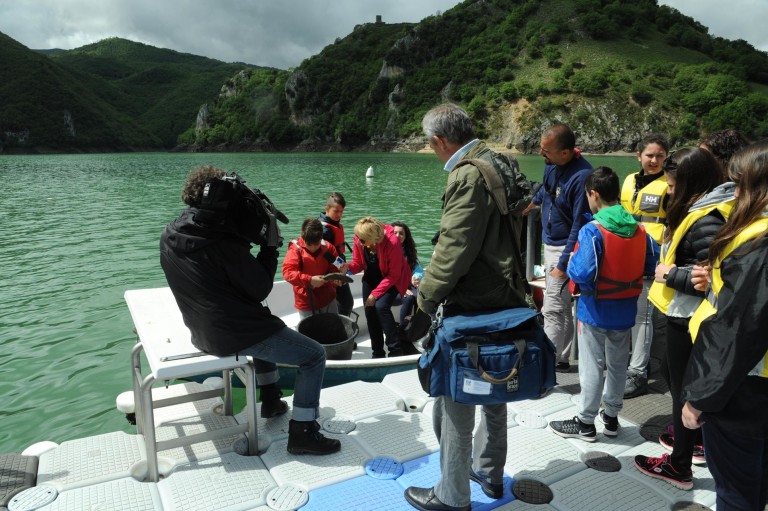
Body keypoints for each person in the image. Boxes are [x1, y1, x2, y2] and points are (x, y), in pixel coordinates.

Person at [159, 165, 340, 455]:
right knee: (314, 355)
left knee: (267, 321)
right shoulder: (221, 245)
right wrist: (269, 249)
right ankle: (303, 432)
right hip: (233, 333)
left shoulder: (171, 233)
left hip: (201, 330)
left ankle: (271, 399)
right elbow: (259, 289)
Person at [404, 103, 529, 511]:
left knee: (456, 400)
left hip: (472, 303)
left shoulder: (466, 174)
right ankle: (489, 473)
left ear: (440, 140)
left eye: (430, 143)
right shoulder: (500, 161)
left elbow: (453, 250)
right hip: (507, 296)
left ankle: (452, 496)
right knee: (495, 384)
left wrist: (424, 302)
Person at [634, 148, 732, 489]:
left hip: (688, 318)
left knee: (681, 391)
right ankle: (694, 441)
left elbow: (711, 279)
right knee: (673, 377)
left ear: (692, 183)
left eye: (674, 185)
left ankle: (679, 465)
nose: (669, 191)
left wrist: (667, 274)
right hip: (683, 315)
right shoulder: (707, 211)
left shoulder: (707, 220)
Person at [681, 141, 768, 511]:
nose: (733, 194)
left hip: (745, 388)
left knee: (735, 491)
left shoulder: (758, 244)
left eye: (739, 185)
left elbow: (738, 328)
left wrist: (701, 398)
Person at [549, 167, 657, 442]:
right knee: (619, 365)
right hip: (625, 308)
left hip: (594, 310)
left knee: (592, 366)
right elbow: (652, 262)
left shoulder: (592, 230)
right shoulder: (640, 229)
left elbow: (582, 272)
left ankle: (585, 422)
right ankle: (611, 417)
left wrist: (569, 265)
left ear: (593, 194)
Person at [523, 123, 593, 372]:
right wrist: (531, 204)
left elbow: (579, 225)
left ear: (565, 152)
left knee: (552, 308)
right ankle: (561, 358)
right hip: (550, 243)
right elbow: (547, 190)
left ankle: (545, 368)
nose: (541, 154)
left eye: (546, 151)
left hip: (566, 247)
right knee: (561, 306)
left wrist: (564, 264)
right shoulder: (552, 165)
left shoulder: (582, 177)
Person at [620, 134, 670, 399]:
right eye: (650, 155)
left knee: (644, 315)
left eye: (660, 156)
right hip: (626, 252)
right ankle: (634, 361)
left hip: (653, 256)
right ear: (638, 155)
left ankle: (638, 373)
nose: (654, 160)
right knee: (630, 311)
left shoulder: (669, 186)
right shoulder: (629, 180)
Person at [347, 216, 411, 358]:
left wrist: (374, 294)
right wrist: (347, 268)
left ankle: (395, 349)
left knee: (381, 307)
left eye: (362, 240)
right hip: (371, 276)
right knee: (369, 312)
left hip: (393, 279)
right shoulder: (360, 238)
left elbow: (394, 275)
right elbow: (357, 263)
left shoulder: (392, 241)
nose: (359, 242)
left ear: (373, 237)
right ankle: (377, 352)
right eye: (358, 238)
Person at [282, 218, 347, 319]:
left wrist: (339, 277)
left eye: (316, 244)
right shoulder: (295, 250)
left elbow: (334, 269)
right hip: (306, 302)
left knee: (333, 327)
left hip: (328, 298)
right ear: (303, 238)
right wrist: (310, 280)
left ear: (321, 238)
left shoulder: (329, 248)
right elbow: (288, 272)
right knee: (310, 329)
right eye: (309, 245)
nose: (312, 248)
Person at [319, 192, 354, 316]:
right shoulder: (324, 229)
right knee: (347, 303)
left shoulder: (335, 224)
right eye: (336, 211)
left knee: (345, 303)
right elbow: (325, 254)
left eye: (341, 211)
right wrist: (340, 267)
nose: (339, 215)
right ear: (327, 208)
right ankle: (342, 325)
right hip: (332, 271)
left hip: (339, 268)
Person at [392, 220, 424, 324]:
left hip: (406, 285)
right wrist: (402, 288)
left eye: (401, 233)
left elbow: (417, 268)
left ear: (406, 236)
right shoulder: (385, 250)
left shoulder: (408, 250)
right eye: (395, 233)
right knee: (409, 298)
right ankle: (404, 327)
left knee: (422, 295)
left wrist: (416, 278)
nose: (398, 236)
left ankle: (418, 326)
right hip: (391, 287)